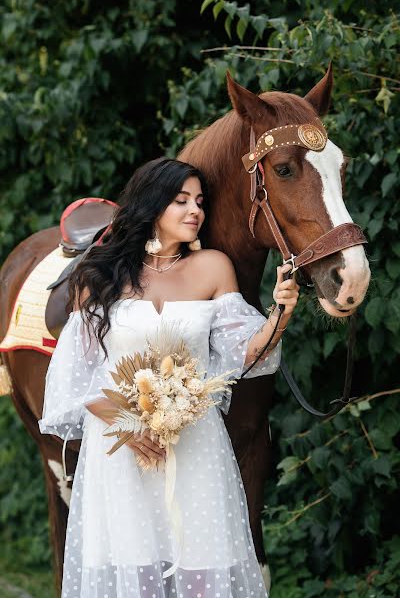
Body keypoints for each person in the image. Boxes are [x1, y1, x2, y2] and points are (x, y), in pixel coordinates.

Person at [39, 157, 299, 598]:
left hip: (196, 444)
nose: (195, 210)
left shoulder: (213, 267)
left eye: (199, 201)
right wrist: (124, 422)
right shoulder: (100, 275)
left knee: (203, 568)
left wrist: (282, 310)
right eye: (181, 201)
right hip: (121, 449)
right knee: (132, 569)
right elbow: (74, 375)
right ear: (152, 205)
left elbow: (247, 352)